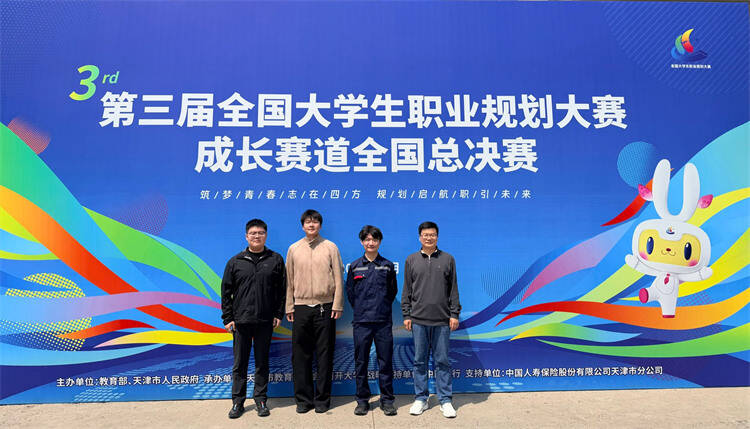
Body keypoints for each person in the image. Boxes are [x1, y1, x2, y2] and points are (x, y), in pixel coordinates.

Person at [221, 219, 286, 419]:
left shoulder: (275, 259)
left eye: (260, 233)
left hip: (265, 321)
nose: (257, 236)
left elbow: (282, 290)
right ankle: (237, 402)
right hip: (241, 322)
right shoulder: (235, 261)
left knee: (262, 362)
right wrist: (228, 318)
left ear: (266, 235)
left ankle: (261, 400)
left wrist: (278, 314)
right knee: (239, 364)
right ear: (246, 236)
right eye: (253, 233)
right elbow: (226, 292)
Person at [285, 209, 344, 413]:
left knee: (325, 355)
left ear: (320, 225)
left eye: (315, 222)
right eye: (308, 222)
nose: (311, 225)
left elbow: (338, 278)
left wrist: (337, 304)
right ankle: (303, 400)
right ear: (302, 226)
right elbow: (289, 280)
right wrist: (289, 306)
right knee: (300, 355)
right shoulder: (294, 249)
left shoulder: (330, 247)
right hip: (300, 307)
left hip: (325, 307)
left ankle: (322, 400)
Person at [401, 221, 461, 419]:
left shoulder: (448, 259)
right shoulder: (411, 260)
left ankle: (445, 400)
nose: (429, 238)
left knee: (442, 361)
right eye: (425, 235)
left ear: (437, 236)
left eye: (432, 234)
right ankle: (421, 398)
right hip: (418, 320)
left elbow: (453, 289)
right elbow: (407, 290)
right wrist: (406, 314)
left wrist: (454, 314)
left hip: (442, 320)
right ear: (420, 237)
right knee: (419, 361)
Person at [345, 225, 398, 416]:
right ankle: (362, 401)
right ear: (362, 242)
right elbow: (350, 293)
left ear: (379, 242)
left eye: (374, 239)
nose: (371, 243)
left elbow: (392, 292)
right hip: (362, 322)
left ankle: (387, 400)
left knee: (385, 362)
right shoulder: (355, 266)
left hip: (383, 322)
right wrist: (361, 309)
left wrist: (381, 308)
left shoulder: (387, 266)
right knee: (361, 362)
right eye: (367, 239)